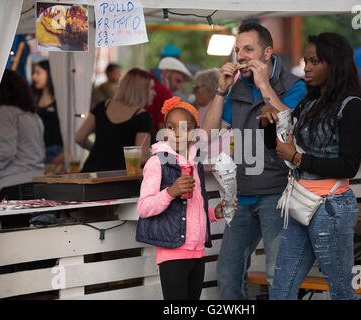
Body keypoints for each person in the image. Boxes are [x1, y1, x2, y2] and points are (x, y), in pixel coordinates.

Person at [201, 22, 307, 300]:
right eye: (238, 50)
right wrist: (221, 90)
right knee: (227, 274)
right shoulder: (236, 87)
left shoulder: (294, 86)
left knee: (277, 274)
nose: (241, 56)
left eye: (249, 49)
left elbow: (290, 125)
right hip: (242, 193)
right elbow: (209, 134)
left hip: (278, 193)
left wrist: (263, 85)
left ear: (267, 52)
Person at [270, 33, 361, 300]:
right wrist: (269, 125)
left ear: (335, 63)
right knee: (281, 290)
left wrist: (297, 158)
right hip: (300, 200)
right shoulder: (310, 102)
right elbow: (287, 145)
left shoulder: (353, 106)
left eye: (315, 61)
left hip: (331, 206)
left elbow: (349, 165)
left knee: (340, 291)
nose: (307, 67)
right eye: (306, 60)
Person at [136, 96, 237, 300]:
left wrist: (214, 213)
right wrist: (170, 192)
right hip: (172, 252)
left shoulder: (194, 163)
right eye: (171, 128)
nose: (178, 134)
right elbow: (144, 208)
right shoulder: (156, 163)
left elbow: (193, 209)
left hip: (197, 251)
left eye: (186, 128)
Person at [0, 70, 45, 226]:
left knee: (12, 238)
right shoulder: (33, 116)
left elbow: (6, 150)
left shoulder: (4, 112)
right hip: (37, 183)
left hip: (14, 184)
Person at [75, 68, 154, 173]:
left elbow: (79, 138)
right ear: (141, 90)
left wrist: (99, 150)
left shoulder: (102, 106)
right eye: (151, 88)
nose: (154, 93)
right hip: (119, 178)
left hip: (90, 173)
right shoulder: (142, 116)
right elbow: (141, 158)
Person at [32, 60, 64, 173]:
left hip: (56, 153)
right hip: (36, 154)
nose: (34, 76)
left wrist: (62, 155)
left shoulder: (61, 99)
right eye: (33, 72)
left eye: (38, 73)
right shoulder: (33, 98)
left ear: (49, 73)